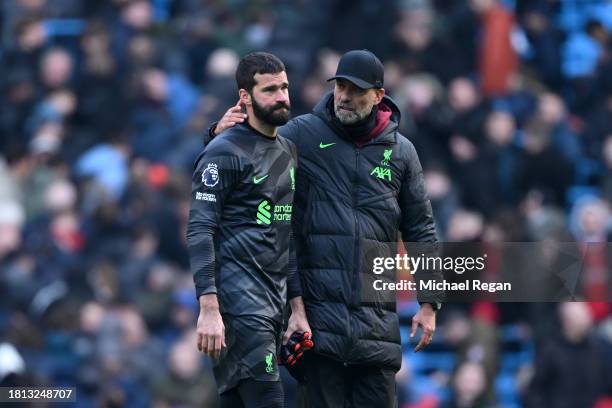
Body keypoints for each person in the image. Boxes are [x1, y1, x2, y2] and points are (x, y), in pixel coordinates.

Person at [209, 49, 443, 407]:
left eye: (356, 90)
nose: (345, 96)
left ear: (379, 96)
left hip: (375, 332)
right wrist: (216, 135)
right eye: (341, 87)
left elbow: (421, 228)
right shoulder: (302, 134)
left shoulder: (401, 153)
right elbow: (245, 160)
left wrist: (429, 302)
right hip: (317, 330)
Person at [187, 52, 303, 408]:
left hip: (273, 306)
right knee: (269, 398)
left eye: (284, 87)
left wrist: (296, 308)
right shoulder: (224, 152)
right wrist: (209, 307)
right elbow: (199, 229)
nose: (282, 96)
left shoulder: (288, 151)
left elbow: (286, 233)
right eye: (270, 89)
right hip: (237, 306)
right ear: (245, 97)